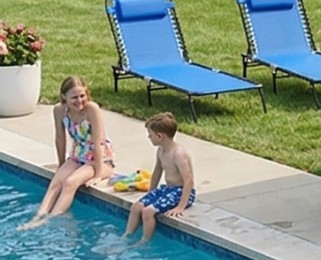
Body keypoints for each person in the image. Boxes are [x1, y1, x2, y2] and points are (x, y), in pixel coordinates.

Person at [21, 75, 114, 227]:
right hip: (78, 155)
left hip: (101, 159)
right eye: (74, 97)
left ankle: (50, 219)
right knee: (57, 181)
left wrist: (98, 174)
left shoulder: (92, 109)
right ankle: (38, 217)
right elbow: (60, 139)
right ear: (64, 97)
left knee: (70, 182)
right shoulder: (59, 110)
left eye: (82, 95)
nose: (79, 101)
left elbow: (99, 143)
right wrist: (61, 164)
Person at [124, 112, 196, 242]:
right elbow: (157, 172)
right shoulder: (161, 150)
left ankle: (145, 241)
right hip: (167, 190)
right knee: (136, 207)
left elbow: (189, 181)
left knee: (148, 212)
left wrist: (180, 206)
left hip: (181, 192)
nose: (148, 137)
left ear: (159, 136)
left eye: (150, 135)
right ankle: (127, 235)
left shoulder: (178, 154)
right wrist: (151, 193)